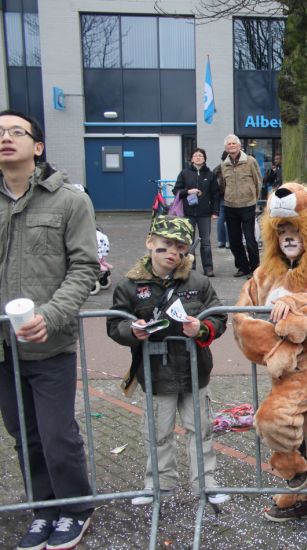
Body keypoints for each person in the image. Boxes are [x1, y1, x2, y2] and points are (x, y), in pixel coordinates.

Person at [0, 109, 98, 550]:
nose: (5, 137)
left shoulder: (69, 200)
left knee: (57, 434)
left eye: (15, 131)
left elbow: (84, 268)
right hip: (3, 350)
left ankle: (76, 508)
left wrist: (52, 315)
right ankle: (43, 509)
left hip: (49, 344)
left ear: (37, 146)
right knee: (25, 436)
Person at [233, 182, 307, 521]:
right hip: (279, 365)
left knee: (274, 419)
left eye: (295, 230)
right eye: (282, 231)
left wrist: (299, 305)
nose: (288, 237)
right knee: (304, 427)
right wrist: (271, 341)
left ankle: (294, 472)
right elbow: (240, 316)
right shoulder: (264, 274)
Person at [107, 216, 229, 507]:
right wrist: (132, 331)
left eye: (179, 247)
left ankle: (205, 484)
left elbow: (218, 316)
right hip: (156, 373)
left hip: (194, 369)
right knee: (157, 433)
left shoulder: (198, 282)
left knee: (200, 430)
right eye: (165, 245)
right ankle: (158, 485)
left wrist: (201, 328)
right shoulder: (129, 286)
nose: (172, 252)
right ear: (150, 243)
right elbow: (114, 325)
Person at [173, 148, 220, 277]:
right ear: (192, 159)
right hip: (188, 213)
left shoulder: (210, 175)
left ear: (204, 159)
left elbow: (216, 195)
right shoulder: (184, 173)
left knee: (206, 242)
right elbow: (176, 191)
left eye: (201, 156)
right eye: (196, 155)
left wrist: (215, 212)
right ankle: (189, 268)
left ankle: (208, 268)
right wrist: (188, 191)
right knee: (188, 242)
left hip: (205, 213)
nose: (198, 157)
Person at [221, 134, 262, 277]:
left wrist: (254, 198)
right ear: (226, 148)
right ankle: (243, 267)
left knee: (250, 239)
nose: (231, 146)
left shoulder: (250, 161)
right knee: (234, 240)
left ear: (239, 146)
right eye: (229, 144)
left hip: (247, 205)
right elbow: (223, 184)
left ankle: (255, 268)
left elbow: (258, 181)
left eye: (234, 143)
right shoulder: (224, 164)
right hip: (230, 205)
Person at [214, 151, 229, 248]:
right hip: (230, 195)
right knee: (229, 218)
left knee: (221, 218)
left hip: (220, 195)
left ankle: (220, 241)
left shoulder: (217, 168)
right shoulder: (230, 167)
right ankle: (228, 241)